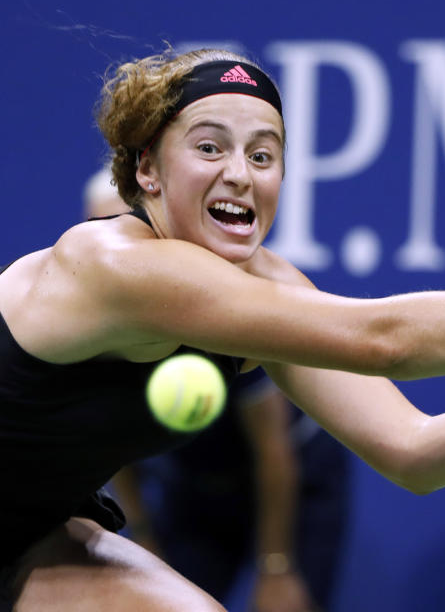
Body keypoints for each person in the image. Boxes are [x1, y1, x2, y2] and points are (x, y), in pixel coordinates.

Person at [0, 47, 445, 611]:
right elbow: (388, 339)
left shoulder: (267, 293)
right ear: (148, 171)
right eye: (210, 148)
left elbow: (416, 452)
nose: (241, 176)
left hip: (29, 532)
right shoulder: (112, 264)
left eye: (263, 154)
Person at [85, 169, 348, 612]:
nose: (112, 251)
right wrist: (144, 536)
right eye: (98, 232)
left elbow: (273, 450)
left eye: (124, 229)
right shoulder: (94, 322)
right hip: (197, 487)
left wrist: (276, 569)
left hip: (292, 478)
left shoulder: (223, 307)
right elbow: (113, 447)